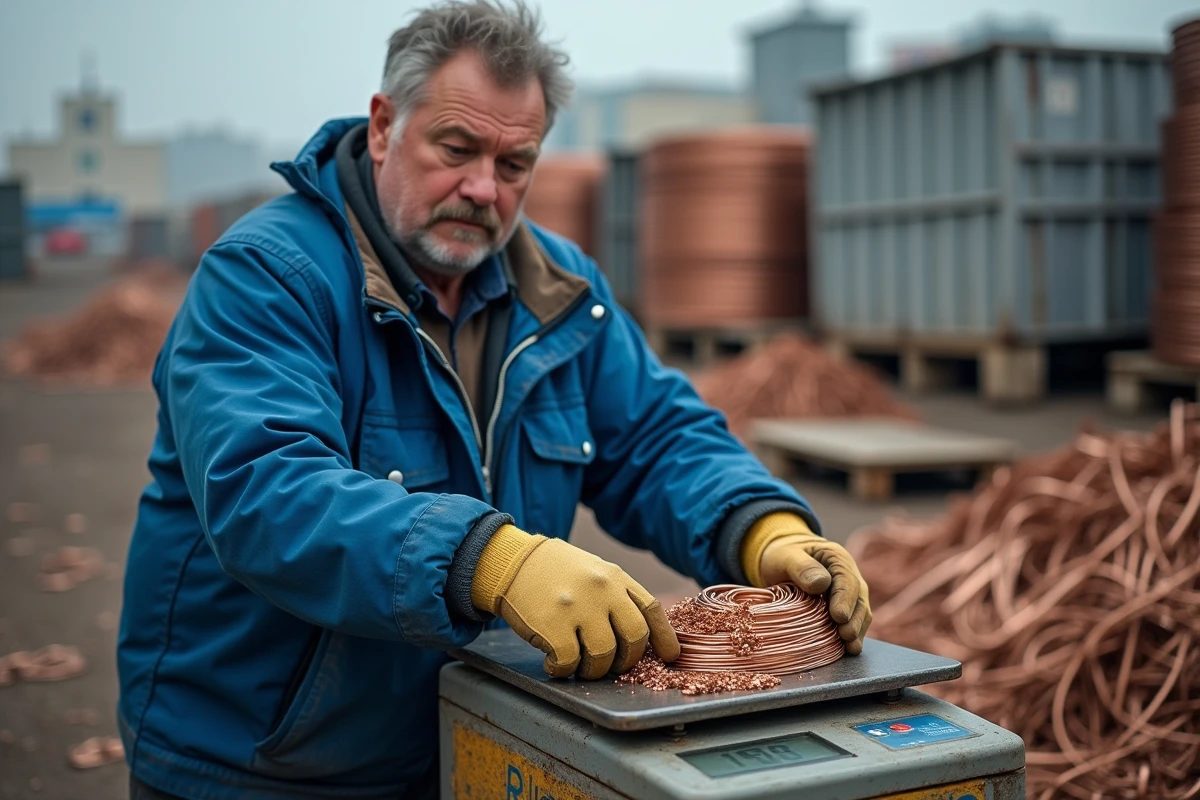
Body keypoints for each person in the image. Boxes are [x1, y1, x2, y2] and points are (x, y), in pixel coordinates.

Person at [116, 1, 871, 798]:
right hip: (260, 763)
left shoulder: (556, 289)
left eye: (515, 164)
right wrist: (493, 561)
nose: (483, 189)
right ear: (382, 127)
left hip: (460, 732)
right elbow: (267, 493)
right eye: (456, 148)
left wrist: (758, 526)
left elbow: (655, 438)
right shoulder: (268, 277)